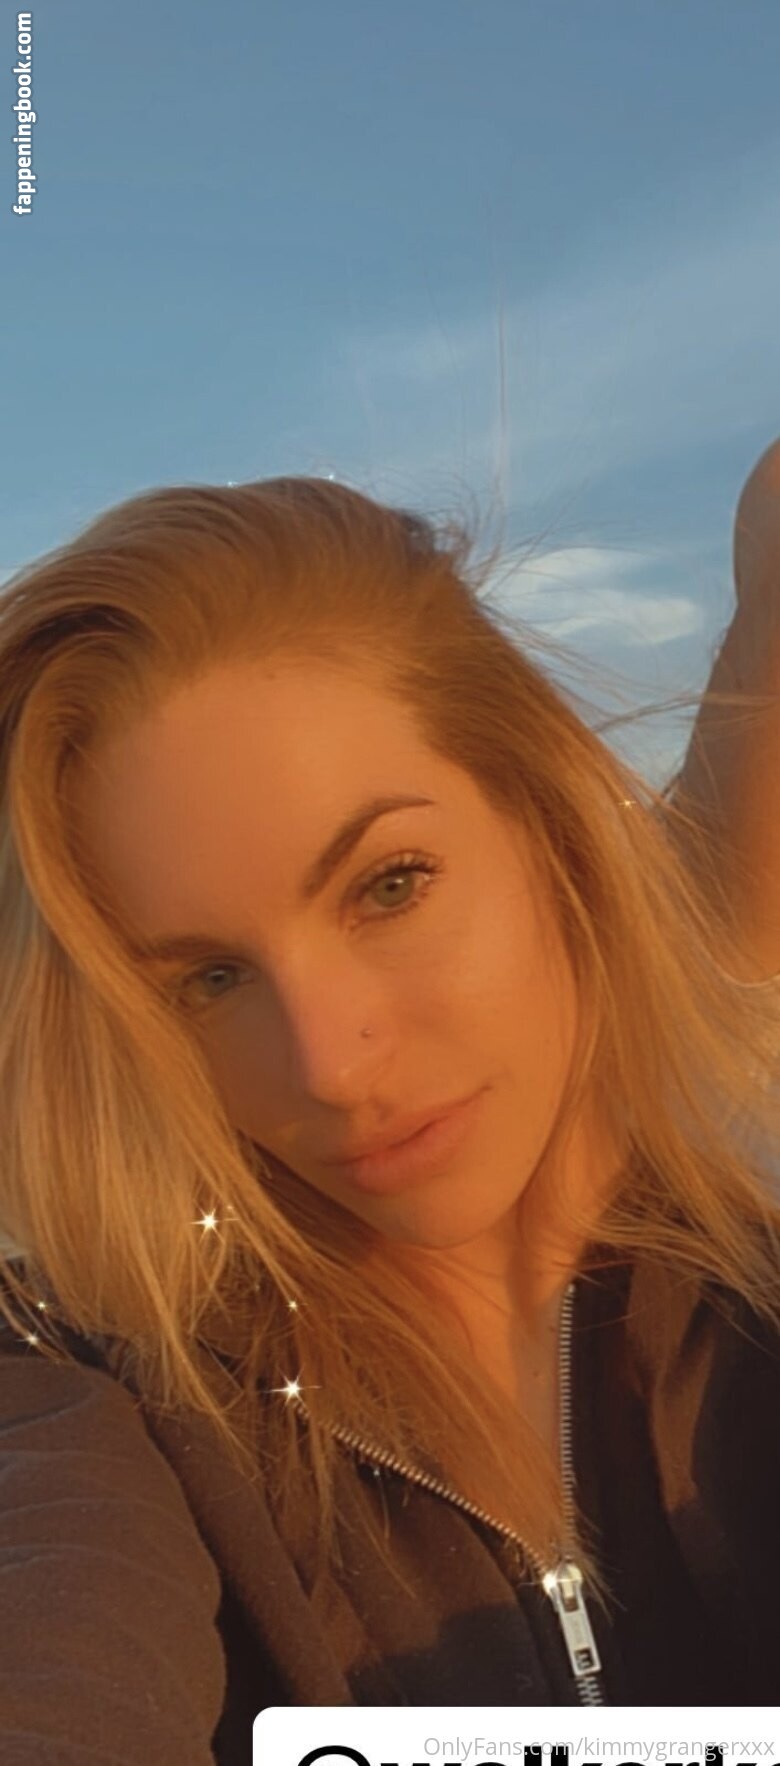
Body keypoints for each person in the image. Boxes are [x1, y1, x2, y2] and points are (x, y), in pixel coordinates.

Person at [0, 454, 777, 1764]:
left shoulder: (751, 1266)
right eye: (209, 978)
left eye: (390, 884)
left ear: (546, 819)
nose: (330, 1066)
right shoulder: (101, 1386)